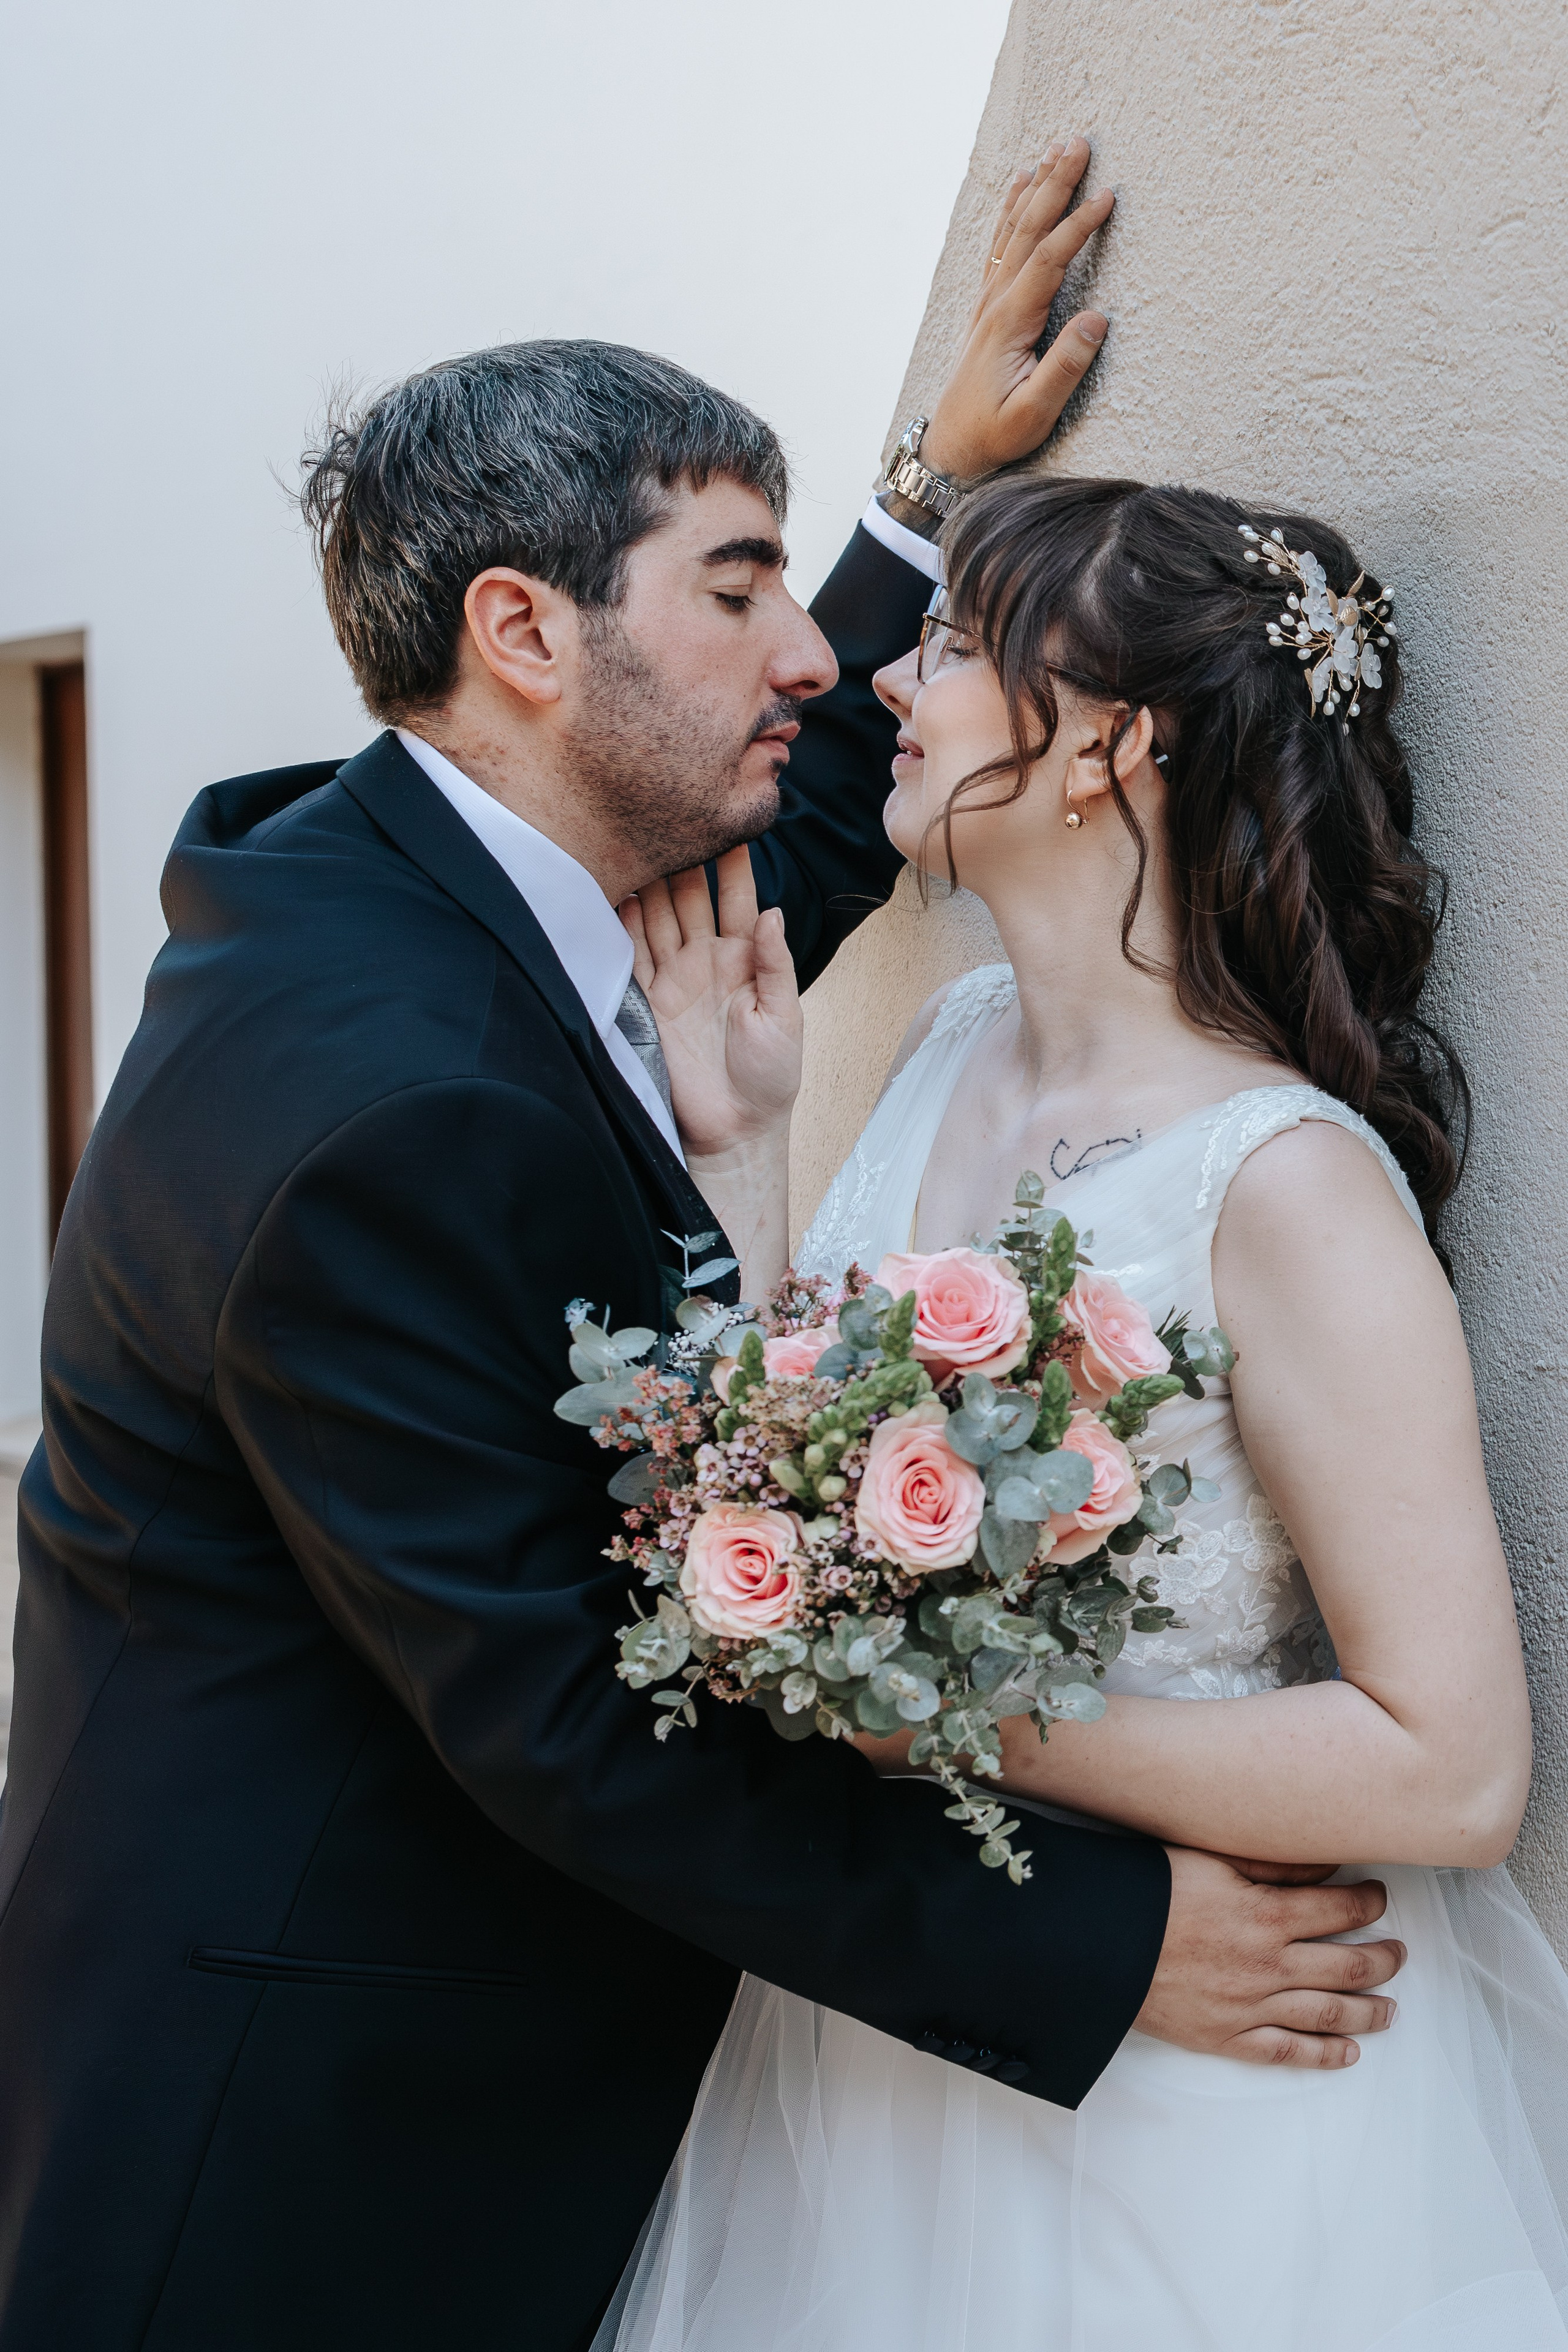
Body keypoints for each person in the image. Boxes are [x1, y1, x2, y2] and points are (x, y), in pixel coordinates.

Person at [0, 147, 1398, 2352]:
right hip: (310, 2156)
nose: (821, 658)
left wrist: (931, 499)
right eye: (740, 590)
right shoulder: (396, 1094)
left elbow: (760, 854)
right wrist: (1105, 1947)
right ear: (526, 633)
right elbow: (563, 1714)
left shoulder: (405, 880)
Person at [601, 465, 1568, 2345]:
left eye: (954, 644)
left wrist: (911, 1710)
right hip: (893, 2049)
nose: (894, 682)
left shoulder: (1284, 1181)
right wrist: (746, 1144)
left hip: (1201, 2093)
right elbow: (811, 1463)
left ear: (1108, 743)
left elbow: (1453, 1768)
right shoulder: (949, 1041)